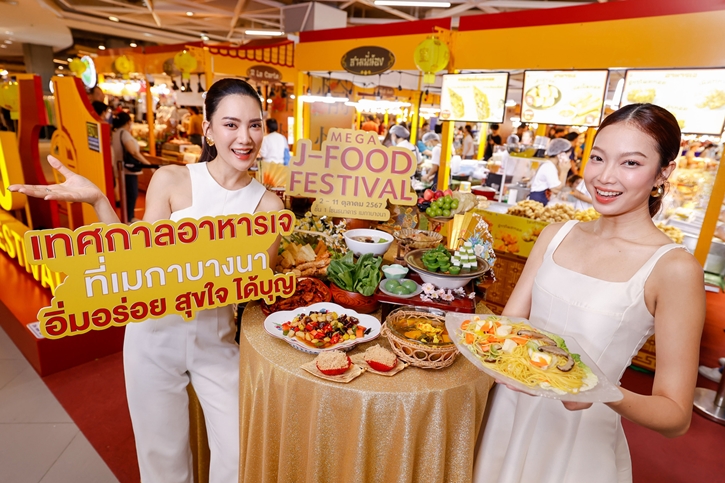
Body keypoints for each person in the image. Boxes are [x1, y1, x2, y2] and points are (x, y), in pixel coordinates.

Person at [10, 78, 284, 483]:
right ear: (207, 129)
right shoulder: (172, 179)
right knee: (162, 460)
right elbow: (135, 266)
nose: (245, 138)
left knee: (239, 453)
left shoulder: (269, 205)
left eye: (255, 125)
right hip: (153, 336)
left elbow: (256, 290)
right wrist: (99, 201)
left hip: (217, 340)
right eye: (230, 124)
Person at [474, 103, 705, 483]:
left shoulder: (674, 269)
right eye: (598, 158)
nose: (605, 177)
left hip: (577, 441)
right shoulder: (555, 234)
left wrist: (603, 392)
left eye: (630, 163)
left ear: (664, 172)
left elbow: (676, 418)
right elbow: (510, 325)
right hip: (507, 413)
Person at [111, 111, 152, 222]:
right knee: (132, 193)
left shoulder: (116, 133)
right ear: (128, 122)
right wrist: (147, 164)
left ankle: (128, 217)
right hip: (128, 169)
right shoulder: (124, 133)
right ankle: (129, 218)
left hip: (121, 168)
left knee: (128, 194)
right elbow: (133, 152)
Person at [527, 138, 571, 206]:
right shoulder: (548, 166)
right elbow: (556, 189)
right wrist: (564, 171)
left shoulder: (552, 166)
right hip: (536, 202)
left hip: (541, 201)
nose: (568, 159)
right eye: (568, 156)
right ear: (560, 154)